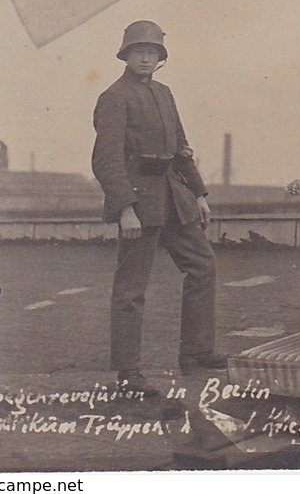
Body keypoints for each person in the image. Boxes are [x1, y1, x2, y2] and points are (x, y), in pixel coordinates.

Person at [91, 20, 226, 392]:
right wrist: (125, 209)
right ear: (126, 55)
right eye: (139, 51)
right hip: (138, 202)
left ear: (160, 57)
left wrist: (198, 194)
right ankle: (128, 373)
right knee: (131, 288)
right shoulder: (114, 97)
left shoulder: (165, 93)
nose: (146, 57)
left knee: (203, 266)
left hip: (174, 198)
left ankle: (196, 353)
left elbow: (182, 149)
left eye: (153, 52)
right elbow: (106, 160)